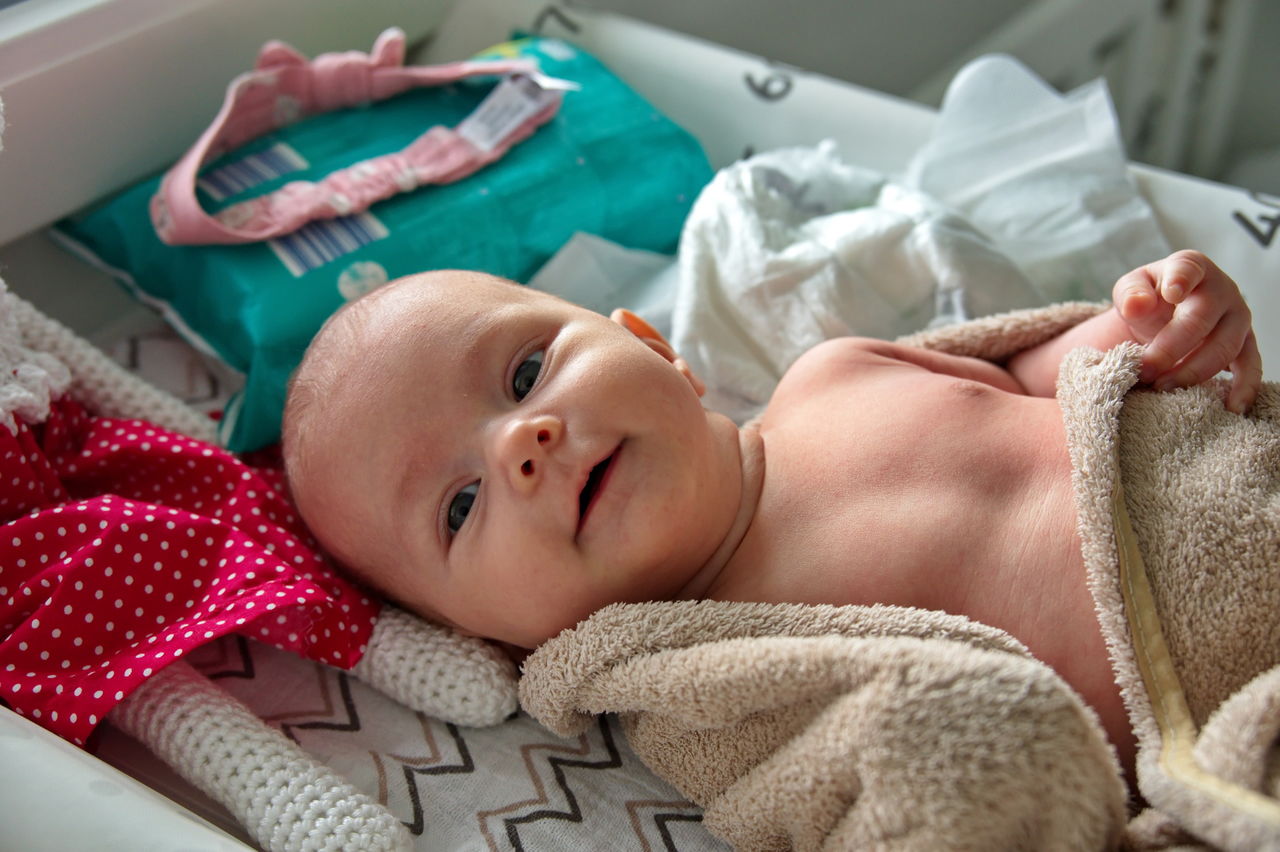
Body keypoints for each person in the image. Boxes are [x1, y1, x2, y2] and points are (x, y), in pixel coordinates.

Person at [282, 249, 1262, 785]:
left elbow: (1034, 379)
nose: (520, 442)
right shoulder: (713, 688)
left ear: (657, 347)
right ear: (482, 635)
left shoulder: (834, 373)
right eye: (459, 507)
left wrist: (1151, 331)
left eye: (524, 372)